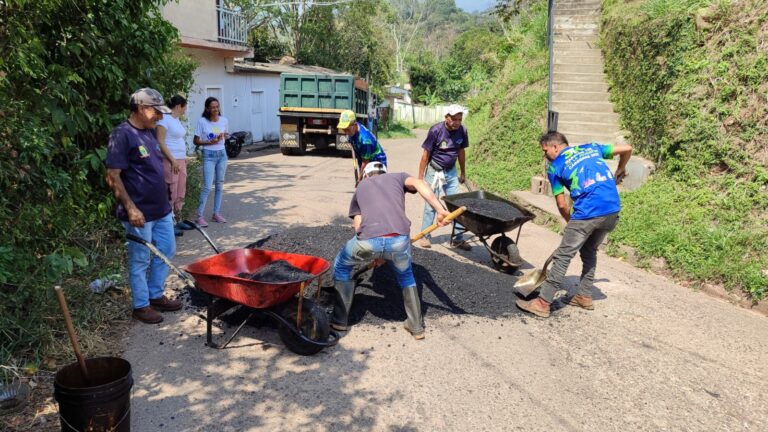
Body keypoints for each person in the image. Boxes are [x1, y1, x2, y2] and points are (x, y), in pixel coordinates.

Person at [516, 131, 633, 318]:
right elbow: (627, 148)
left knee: (563, 256)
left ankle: (542, 302)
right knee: (589, 252)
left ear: (555, 147)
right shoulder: (591, 148)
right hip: (612, 209)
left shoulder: (554, 169)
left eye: (545, 151)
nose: (545, 156)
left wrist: (573, 223)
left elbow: (562, 203)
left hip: (588, 211)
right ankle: (584, 296)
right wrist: (620, 169)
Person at [330, 162, 450, 340]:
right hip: (399, 241)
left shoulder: (360, 187)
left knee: (341, 266)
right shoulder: (398, 177)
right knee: (407, 276)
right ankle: (416, 326)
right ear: (384, 172)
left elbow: (358, 227)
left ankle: (339, 321)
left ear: (365, 175)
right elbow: (419, 183)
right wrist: (440, 209)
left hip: (368, 241)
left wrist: (375, 251)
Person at [105, 88, 183, 324]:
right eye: (156, 112)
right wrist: (130, 208)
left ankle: (155, 294)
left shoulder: (149, 132)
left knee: (167, 250)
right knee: (140, 259)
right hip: (139, 213)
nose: (160, 117)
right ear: (141, 108)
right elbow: (112, 176)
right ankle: (141, 305)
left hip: (161, 209)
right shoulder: (122, 134)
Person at [416, 104, 471, 251]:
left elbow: (461, 152)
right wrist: (420, 179)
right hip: (434, 171)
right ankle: (425, 236)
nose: (457, 122)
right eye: (454, 119)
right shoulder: (436, 130)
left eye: (460, 119)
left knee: (456, 205)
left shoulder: (462, 130)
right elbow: (425, 155)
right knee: (430, 206)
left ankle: (458, 239)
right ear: (446, 117)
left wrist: (463, 172)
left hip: (451, 171)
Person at [193, 97, 229, 227]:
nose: (215, 109)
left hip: (222, 155)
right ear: (207, 109)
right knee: (208, 186)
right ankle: (199, 216)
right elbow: (196, 141)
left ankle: (216, 213)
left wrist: (225, 136)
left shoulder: (224, 120)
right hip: (208, 155)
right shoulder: (202, 121)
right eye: (213, 107)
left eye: (217, 107)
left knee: (219, 185)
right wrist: (209, 142)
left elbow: (225, 134)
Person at [156, 95, 189, 236]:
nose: (185, 109)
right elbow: (160, 141)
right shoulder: (164, 118)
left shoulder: (176, 120)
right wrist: (173, 160)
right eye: (185, 106)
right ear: (178, 106)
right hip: (170, 160)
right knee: (171, 190)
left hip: (181, 160)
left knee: (180, 189)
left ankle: (178, 218)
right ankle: (168, 223)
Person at [337, 109, 387, 182]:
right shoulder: (353, 129)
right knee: (364, 185)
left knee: (376, 185)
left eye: (347, 129)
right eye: (344, 129)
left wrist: (360, 178)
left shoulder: (364, 140)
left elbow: (365, 162)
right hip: (364, 157)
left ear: (354, 124)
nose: (346, 132)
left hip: (376, 161)